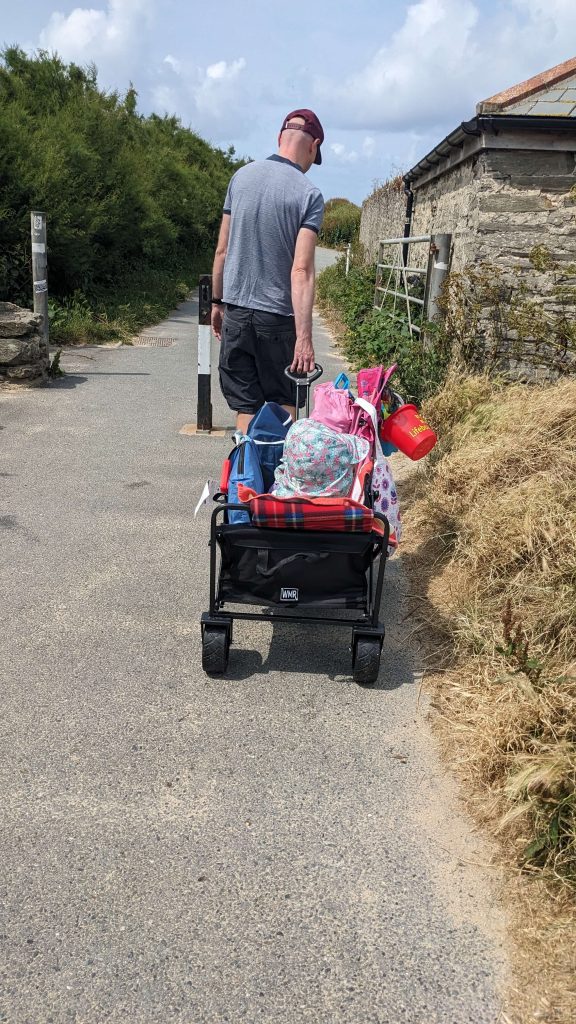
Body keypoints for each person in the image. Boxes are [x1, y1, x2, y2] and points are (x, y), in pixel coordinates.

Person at [211, 108, 325, 434]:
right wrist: (304, 339)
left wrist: (217, 304)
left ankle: (242, 483)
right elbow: (301, 270)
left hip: (235, 313)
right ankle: (275, 481)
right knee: (281, 403)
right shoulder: (309, 194)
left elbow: (222, 249)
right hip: (276, 319)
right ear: (313, 145)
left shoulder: (241, 177)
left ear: (280, 137)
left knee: (245, 406)